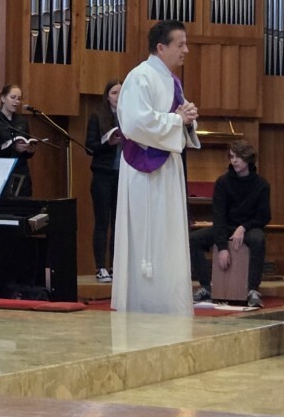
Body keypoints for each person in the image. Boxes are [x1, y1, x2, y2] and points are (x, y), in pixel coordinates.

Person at [112, 20, 200, 316]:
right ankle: (146, 303)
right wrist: (177, 120)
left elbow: (176, 117)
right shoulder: (140, 77)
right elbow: (135, 123)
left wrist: (187, 117)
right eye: (180, 44)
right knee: (149, 239)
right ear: (161, 47)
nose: (186, 50)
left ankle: (170, 304)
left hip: (168, 167)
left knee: (170, 237)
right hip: (145, 171)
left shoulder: (171, 80)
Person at [189, 139, 271, 309]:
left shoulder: (261, 184)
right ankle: (206, 287)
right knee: (194, 239)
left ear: (247, 158)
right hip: (226, 226)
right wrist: (222, 247)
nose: (234, 161)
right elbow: (219, 216)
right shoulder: (223, 182)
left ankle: (252, 290)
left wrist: (243, 227)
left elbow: (264, 216)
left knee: (258, 239)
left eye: (238, 157)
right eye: (232, 157)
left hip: (248, 227)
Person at [86, 80, 122, 283]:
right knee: (102, 222)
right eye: (114, 92)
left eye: (121, 92)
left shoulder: (129, 115)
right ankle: (100, 267)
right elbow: (89, 147)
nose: (118, 96)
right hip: (103, 175)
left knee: (119, 223)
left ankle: (116, 265)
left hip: (123, 175)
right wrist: (109, 143)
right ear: (107, 96)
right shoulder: (98, 116)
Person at [0, 84, 36, 197]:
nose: (16, 101)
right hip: (0, 173)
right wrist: (12, 147)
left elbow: (27, 147)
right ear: (2, 98)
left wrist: (29, 150)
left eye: (19, 99)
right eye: (13, 97)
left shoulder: (22, 121)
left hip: (21, 172)